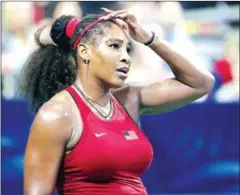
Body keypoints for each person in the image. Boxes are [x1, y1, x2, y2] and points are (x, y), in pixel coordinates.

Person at [21, 8, 215, 195]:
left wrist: (149, 39)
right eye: (114, 46)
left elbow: (201, 84)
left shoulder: (128, 99)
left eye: (128, 49)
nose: (125, 58)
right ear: (84, 52)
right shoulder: (56, 114)